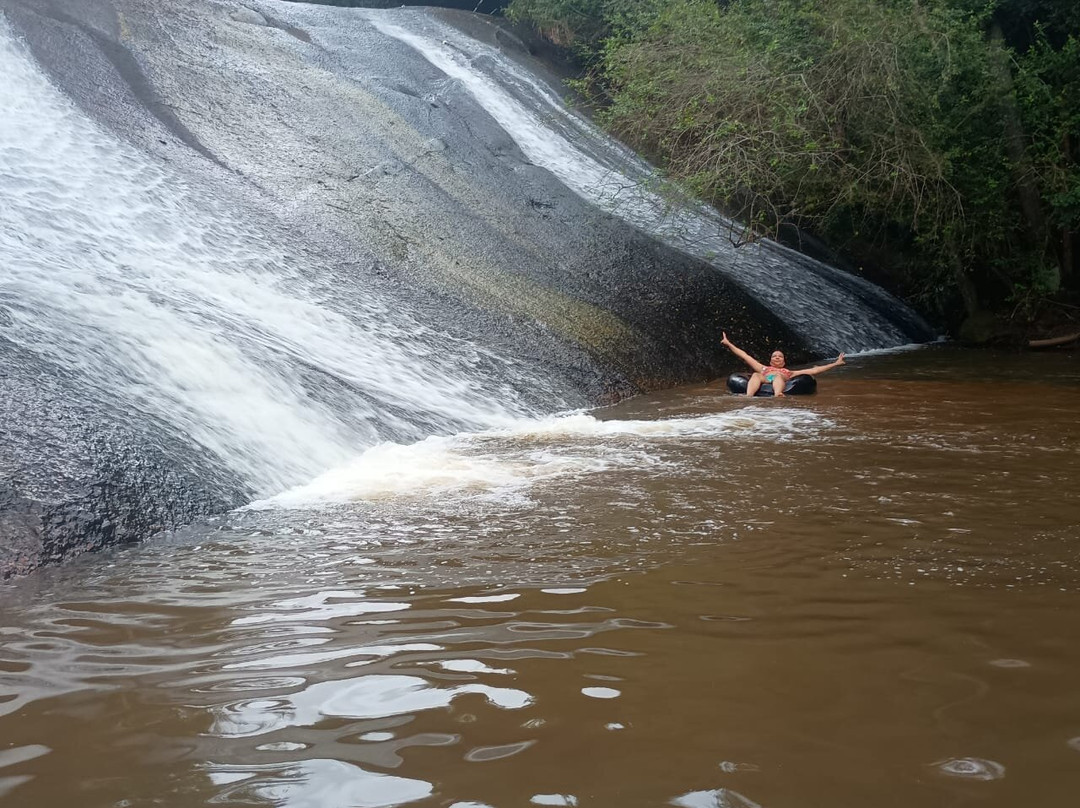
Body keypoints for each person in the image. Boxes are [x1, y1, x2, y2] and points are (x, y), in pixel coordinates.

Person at [720, 331, 845, 396]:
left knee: (778, 376)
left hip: (779, 379)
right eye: (774, 356)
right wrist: (728, 343)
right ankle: (749, 395)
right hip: (766, 379)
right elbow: (745, 355)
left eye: (780, 356)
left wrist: (835, 363)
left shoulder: (789, 372)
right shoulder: (763, 368)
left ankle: (778, 394)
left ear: (784, 362)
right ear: (770, 361)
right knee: (756, 375)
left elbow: (814, 370)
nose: (777, 357)